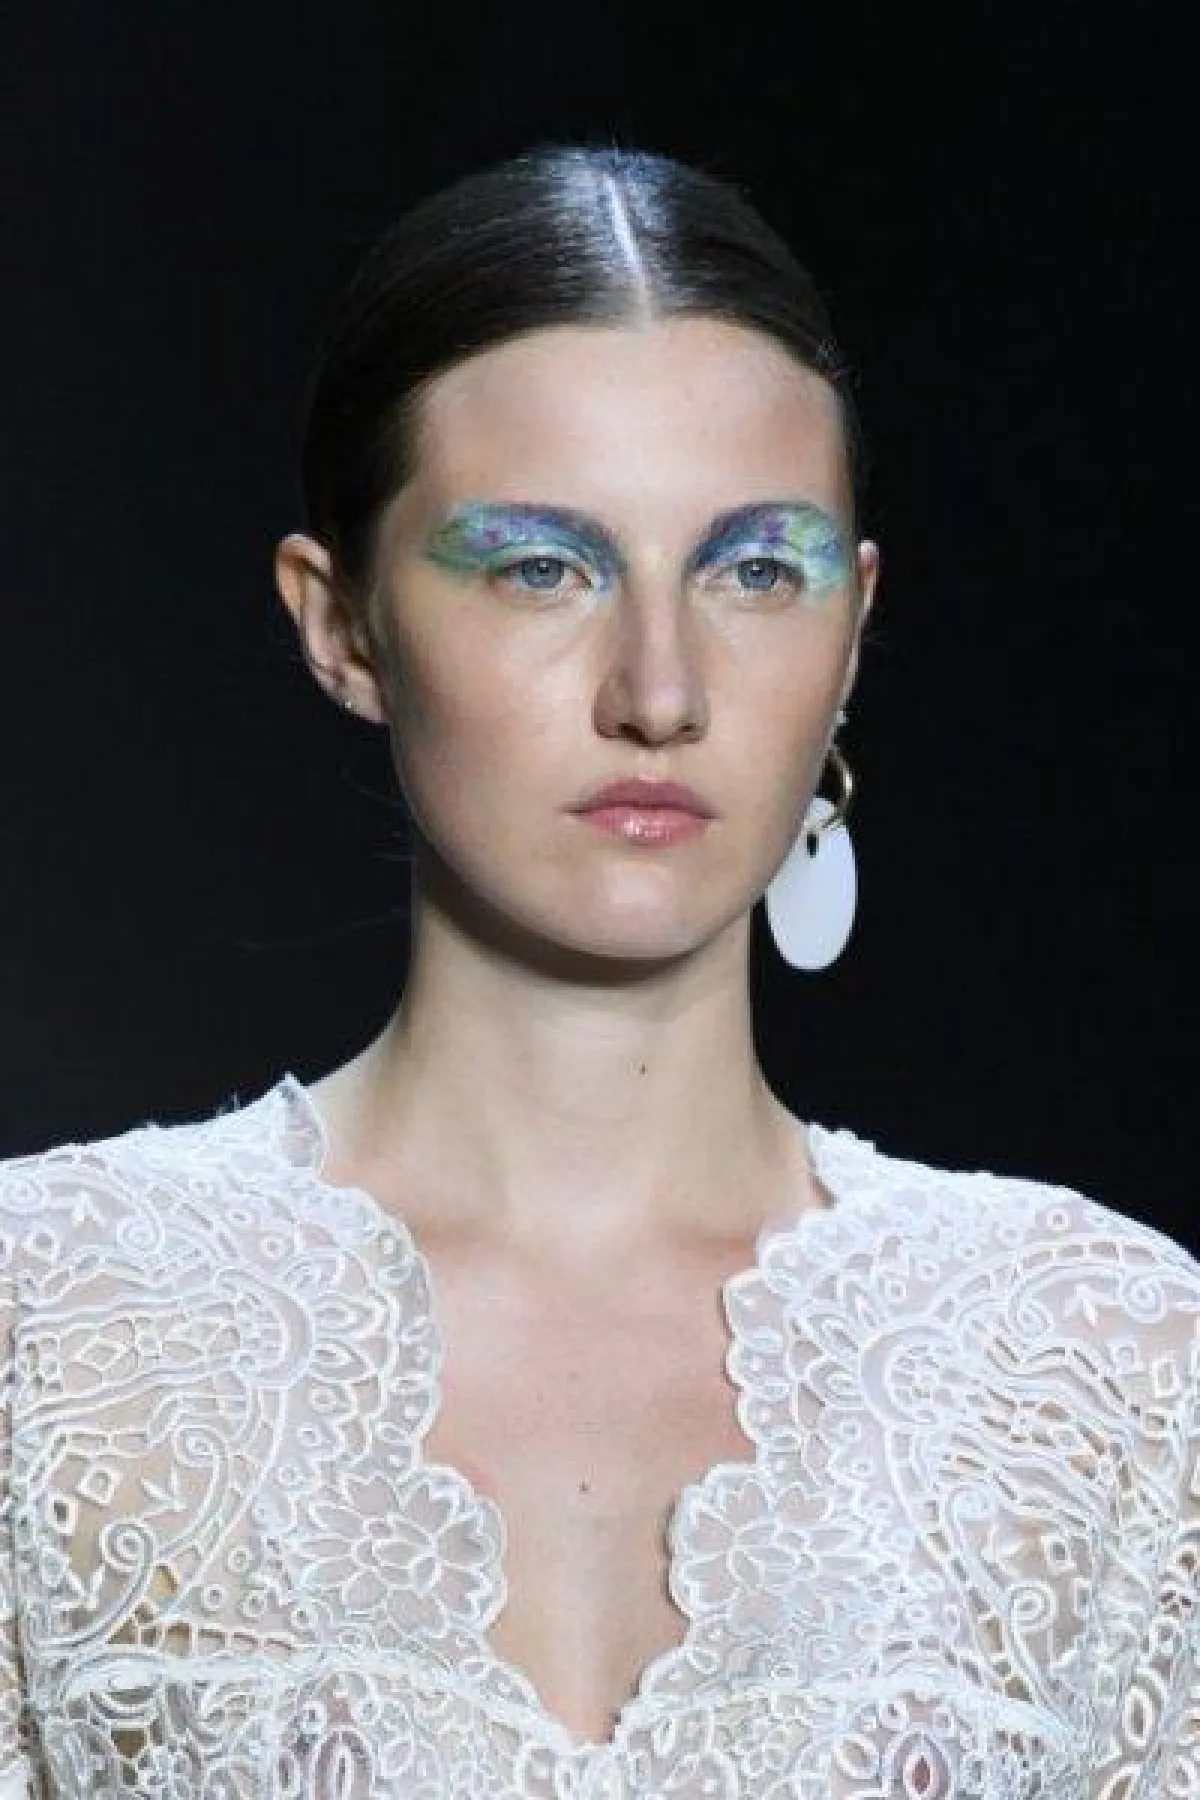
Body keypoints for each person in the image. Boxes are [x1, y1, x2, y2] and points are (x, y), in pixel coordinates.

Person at [1, 144, 1196, 1800]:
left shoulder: (1113, 1369)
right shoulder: (47, 1329)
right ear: (340, 624)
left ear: (852, 629)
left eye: (754, 569)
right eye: (541, 565)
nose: (660, 688)